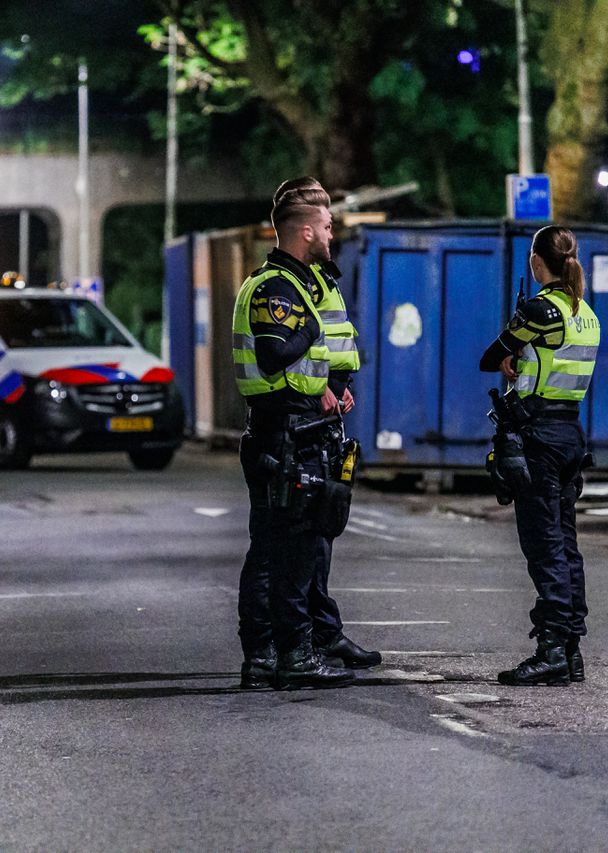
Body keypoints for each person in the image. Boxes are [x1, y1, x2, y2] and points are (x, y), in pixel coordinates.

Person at [232, 179, 354, 690]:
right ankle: (284, 655)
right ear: (306, 231)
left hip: (297, 428)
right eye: (326, 226)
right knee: (282, 551)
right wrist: (311, 331)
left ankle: (272, 656)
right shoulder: (276, 288)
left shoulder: (300, 283)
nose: (332, 233)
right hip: (281, 430)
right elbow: (272, 354)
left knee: (285, 548)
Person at [478, 225, 600, 686]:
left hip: (540, 437)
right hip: (570, 433)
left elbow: (492, 357)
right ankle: (570, 649)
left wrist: (514, 352)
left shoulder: (540, 310)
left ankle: (551, 650)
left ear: (536, 261)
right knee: (566, 545)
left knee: (544, 546)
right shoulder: (585, 313)